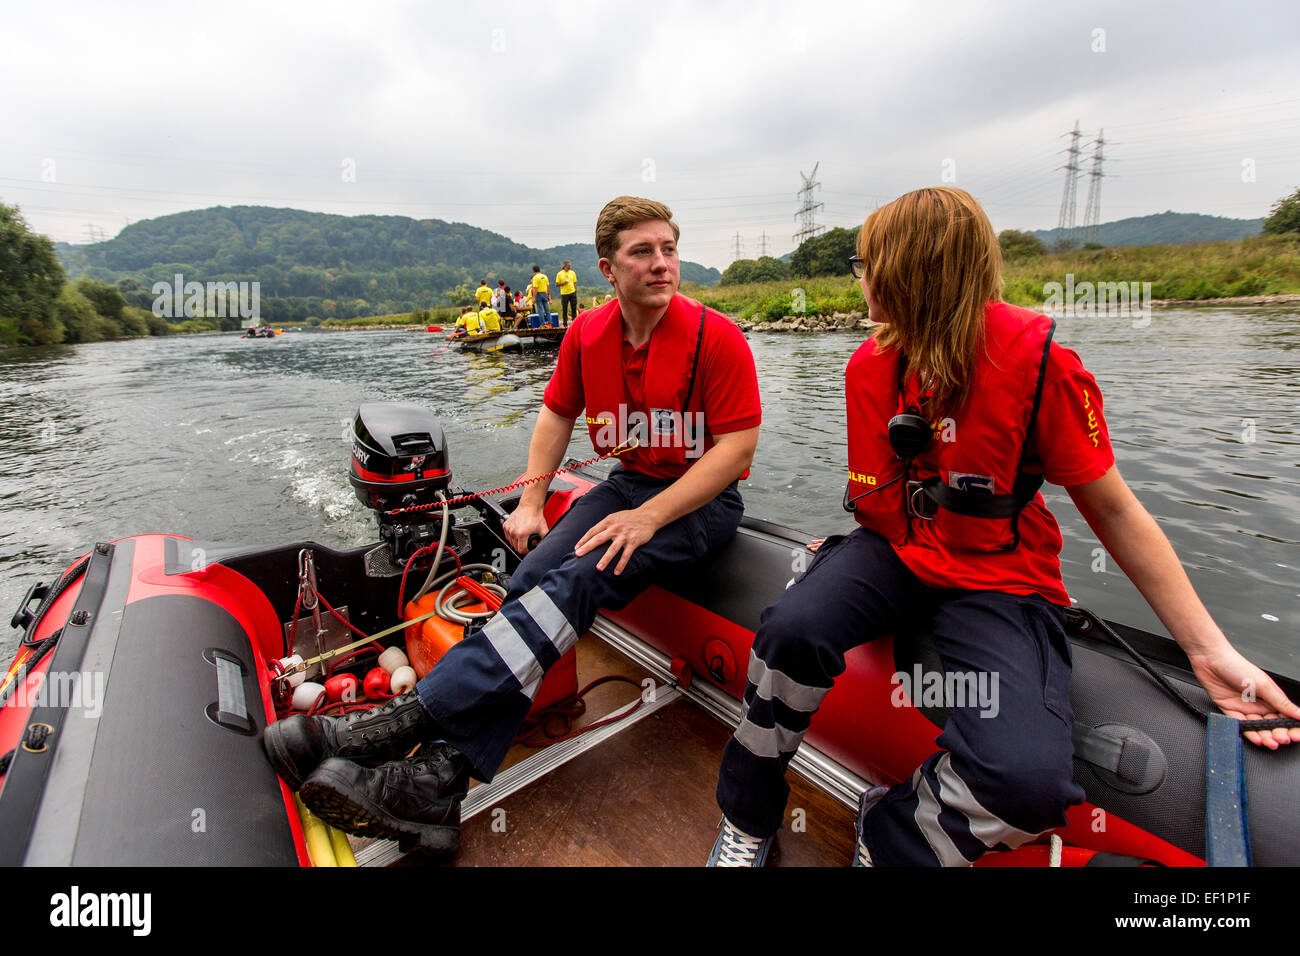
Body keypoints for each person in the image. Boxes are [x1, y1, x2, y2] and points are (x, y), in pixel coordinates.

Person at [708, 186, 1300, 868]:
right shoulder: (867, 366)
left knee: (1026, 783)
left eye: (866, 263)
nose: (859, 277)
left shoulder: (1043, 368)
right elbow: (887, 499)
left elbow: (1114, 509)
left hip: (998, 576)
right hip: (895, 552)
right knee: (790, 631)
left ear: (911, 273)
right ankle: (748, 815)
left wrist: (1208, 652)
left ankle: (889, 831)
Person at [264, 196, 762, 857]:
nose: (662, 263)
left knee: (582, 575)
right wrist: (530, 503)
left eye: (669, 249)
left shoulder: (714, 337)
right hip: (630, 483)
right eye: (643, 252)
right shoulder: (587, 335)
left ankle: (397, 731)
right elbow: (556, 416)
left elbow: (737, 451)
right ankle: (438, 782)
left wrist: (646, 518)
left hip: (701, 501)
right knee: (526, 580)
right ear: (608, 268)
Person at [555, 260, 578, 327]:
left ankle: (574, 324)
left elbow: (575, 283)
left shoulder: (572, 273)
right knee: (565, 309)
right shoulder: (559, 274)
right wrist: (563, 283)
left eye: (570, 266)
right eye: (568, 266)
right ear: (564, 266)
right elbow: (556, 284)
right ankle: (565, 324)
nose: (570, 267)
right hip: (564, 294)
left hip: (572, 292)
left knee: (574, 309)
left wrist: (575, 291)